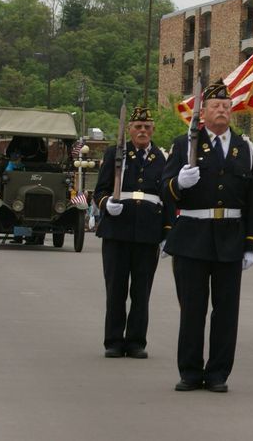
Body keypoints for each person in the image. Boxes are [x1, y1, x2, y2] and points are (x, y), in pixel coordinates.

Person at [161, 80, 253, 393]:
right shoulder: (184, 144)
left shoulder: (245, 148)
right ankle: (190, 372)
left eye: (227, 106)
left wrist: (250, 245)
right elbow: (164, 190)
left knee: (226, 312)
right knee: (192, 309)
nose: (223, 110)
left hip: (230, 239)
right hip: (193, 237)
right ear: (202, 112)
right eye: (216, 106)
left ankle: (217, 373)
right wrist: (180, 181)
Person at [93, 106, 168, 359]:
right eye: (138, 127)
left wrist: (167, 232)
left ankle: (136, 341)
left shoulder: (162, 158)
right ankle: (113, 340)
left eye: (147, 127)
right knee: (116, 289)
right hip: (118, 230)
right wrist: (106, 204)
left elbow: (166, 199)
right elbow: (100, 190)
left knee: (141, 290)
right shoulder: (116, 153)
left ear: (153, 129)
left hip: (148, 233)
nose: (143, 131)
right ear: (129, 129)